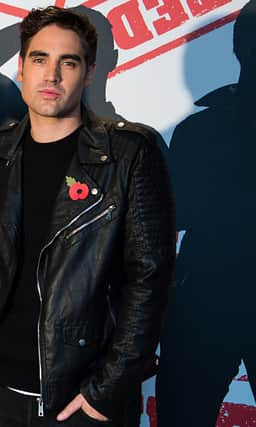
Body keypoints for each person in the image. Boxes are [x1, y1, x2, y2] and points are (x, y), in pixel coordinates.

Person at [0, 6, 175, 427]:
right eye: (39, 59)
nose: (51, 75)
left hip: (79, 398)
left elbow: (150, 276)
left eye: (68, 62)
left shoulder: (128, 153)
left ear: (90, 72)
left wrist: (106, 390)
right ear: (21, 68)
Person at [157, 2, 256, 425]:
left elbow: (176, 216)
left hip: (203, 295)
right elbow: (172, 218)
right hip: (203, 299)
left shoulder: (199, 129)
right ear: (241, 50)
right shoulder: (198, 129)